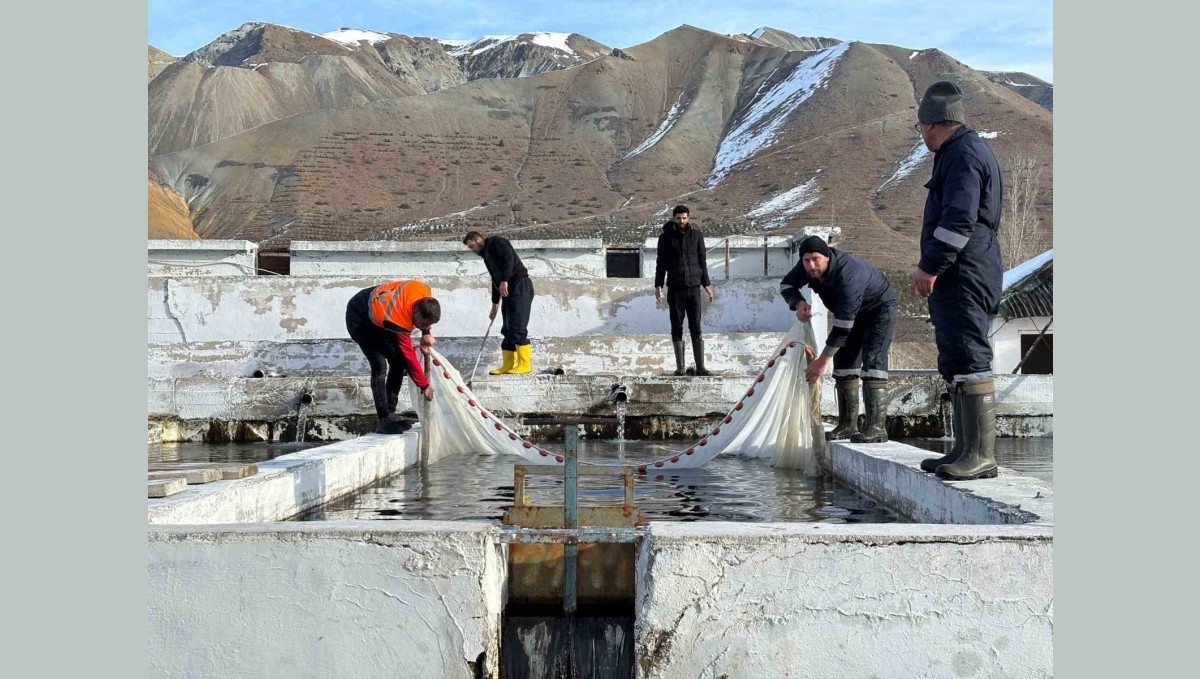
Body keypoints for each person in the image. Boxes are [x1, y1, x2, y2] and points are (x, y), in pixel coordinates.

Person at [908, 81, 1004, 480]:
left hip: (963, 271)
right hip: (962, 270)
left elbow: (958, 221)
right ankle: (966, 451)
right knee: (956, 356)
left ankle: (981, 456)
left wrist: (930, 266)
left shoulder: (962, 154)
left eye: (922, 129)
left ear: (932, 124)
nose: (923, 137)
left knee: (969, 353)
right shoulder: (964, 150)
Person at [780, 236, 898, 443]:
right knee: (844, 366)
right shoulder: (806, 266)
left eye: (816, 259)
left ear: (827, 257)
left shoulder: (849, 275)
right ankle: (847, 425)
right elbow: (786, 285)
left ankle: (877, 428)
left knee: (873, 364)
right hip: (849, 315)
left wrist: (821, 362)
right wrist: (798, 303)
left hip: (878, 311)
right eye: (806, 260)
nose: (811, 265)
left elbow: (843, 327)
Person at [344, 279, 440, 434]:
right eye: (420, 324)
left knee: (398, 362)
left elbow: (425, 315)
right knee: (380, 365)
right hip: (359, 318)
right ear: (415, 311)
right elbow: (408, 354)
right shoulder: (398, 319)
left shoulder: (424, 292)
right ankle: (383, 419)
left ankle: (391, 413)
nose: (419, 327)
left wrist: (427, 333)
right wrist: (424, 385)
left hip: (381, 314)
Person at [654, 205, 715, 376]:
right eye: (678, 218)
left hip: (694, 288)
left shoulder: (696, 236)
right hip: (675, 288)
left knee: (696, 325)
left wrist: (707, 285)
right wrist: (658, 285)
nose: (681, 221)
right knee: (677, 326)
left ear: (688, 218)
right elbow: (661, 264)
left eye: (684, 218)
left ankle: (701, 367)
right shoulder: (665, 238)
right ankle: (680, 367)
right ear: (674, 218)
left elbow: (702, 262)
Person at [463, 230, 535, 375]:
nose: (472, 250)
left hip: (520, 285)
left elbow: (509, 258)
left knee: (517, 325)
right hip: (507, 290)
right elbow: (495, 280)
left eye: (472, 246)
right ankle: (508, 365)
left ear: (478, 239)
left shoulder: (495, 242)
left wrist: (505, 280)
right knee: (507, 328)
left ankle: (525, 365)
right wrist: (494, 305)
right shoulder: (486, 257)